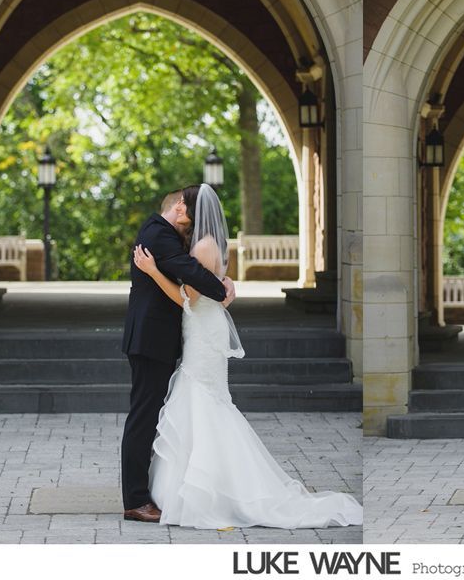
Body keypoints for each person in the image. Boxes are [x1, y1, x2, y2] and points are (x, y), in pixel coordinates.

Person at [133, 183, 362, 529]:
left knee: (203, 403)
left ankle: (203, 490)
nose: (184, 224)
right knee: (202, 403)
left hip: (201, 332)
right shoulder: (202, 243)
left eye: (188, 218)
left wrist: (154, 272)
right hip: (199, 331)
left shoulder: (202, 246)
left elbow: (188, 298)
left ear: (192, 212)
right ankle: (192, 487)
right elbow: (205, 284)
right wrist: (223, 283)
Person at [120, 188, 235, 523]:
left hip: (163, 338)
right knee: (143, 416)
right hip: (150, 339)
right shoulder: (157, 234)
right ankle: (136, 501)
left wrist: (223, 280)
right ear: (180, 209)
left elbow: (194, 273)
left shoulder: (168, 235)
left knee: (151, 414)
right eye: (191, 219)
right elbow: (192, 273)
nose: (193, 227)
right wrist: (220, 287)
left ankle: (151, 493)